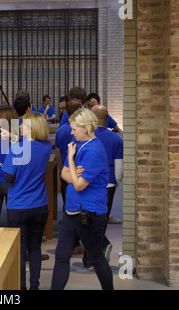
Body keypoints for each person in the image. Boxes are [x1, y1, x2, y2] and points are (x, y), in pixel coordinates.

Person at [51, 108, 113, 290]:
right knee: (61, 256)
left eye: (74, 129)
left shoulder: (94, 150)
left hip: (89, 212)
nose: (71, 132)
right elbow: (64, 174)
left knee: (96, 257)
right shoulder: (75, 142)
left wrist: (71, 160)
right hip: (72, 209)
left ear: (86, 128)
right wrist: (73, 172)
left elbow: (79, 185)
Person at [2, 112, 52, 290]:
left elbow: (8, 178)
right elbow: (32, 145)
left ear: (32, 128)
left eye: (23, 124)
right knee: (35, 248)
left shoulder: (15, 149)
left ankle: (21, 287)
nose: (20, 126)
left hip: (18, 206)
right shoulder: (46, 146)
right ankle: (34, 286)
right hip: (39, 205)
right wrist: (14, 137)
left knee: (19, 251)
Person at [91, 105, 123, 243]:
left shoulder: (86, 136)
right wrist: (116, 182)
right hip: (108, 183)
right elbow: (119, 167)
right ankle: (97, 252)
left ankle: (92, 255)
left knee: (89, 220)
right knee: (102, 220)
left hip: (88, 183)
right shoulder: (116, 139)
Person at [54, 99, 82, 210]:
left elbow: (58, 153)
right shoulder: (84, 130)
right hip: (81, 172)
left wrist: (62, 170)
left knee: (67, 202)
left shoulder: (60, 131)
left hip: (67, 170)